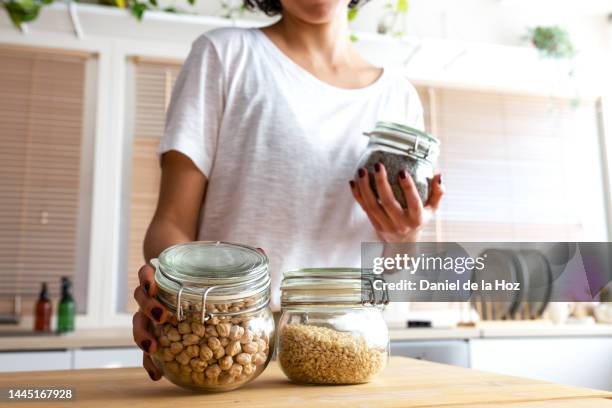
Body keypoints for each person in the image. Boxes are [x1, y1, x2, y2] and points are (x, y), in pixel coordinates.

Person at [132, 0, 444, 381]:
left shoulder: (398, 95)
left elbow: (393, 265)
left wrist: (405, 234)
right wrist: (175, 297)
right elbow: (170, 223)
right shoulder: (225, 54)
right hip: (235, 338)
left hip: (349, 341)